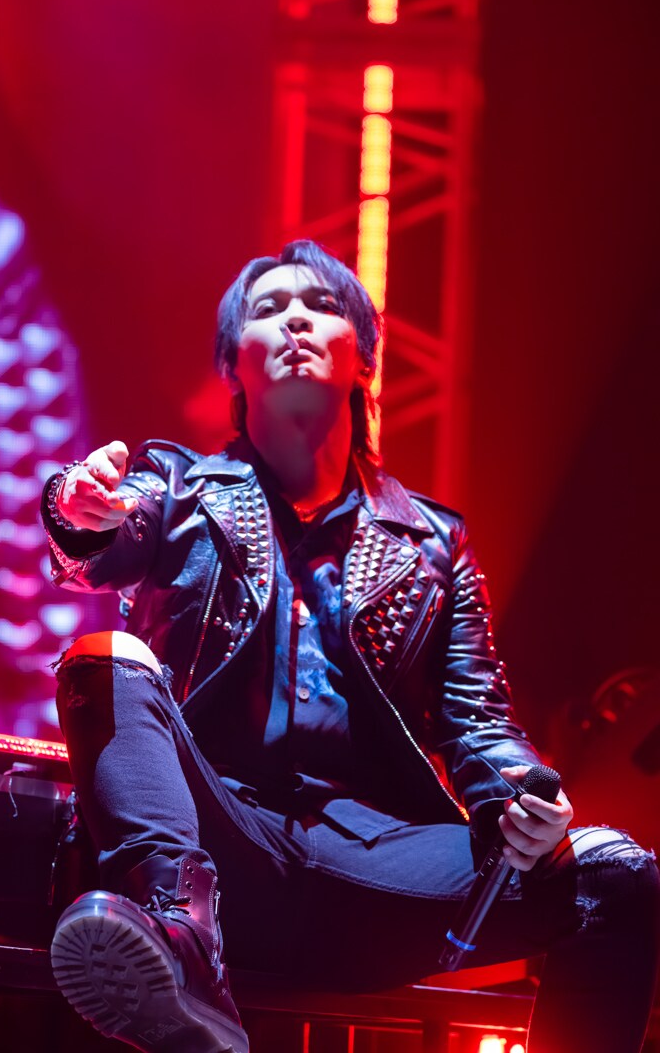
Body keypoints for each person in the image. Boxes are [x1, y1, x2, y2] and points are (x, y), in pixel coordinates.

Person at [42, 239, 659, 1053]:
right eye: (268, 310)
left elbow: (477, 720)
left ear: (365, 355)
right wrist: (78, 507)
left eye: (321, 305)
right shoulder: (182, 488)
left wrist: (519, 799)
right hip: (219, 845)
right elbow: (114, 529)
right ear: (233, 366)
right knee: (103, 658)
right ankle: (181, 947)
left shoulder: (432, 540)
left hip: (383, 866)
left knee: (617, 876)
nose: (295, 318)